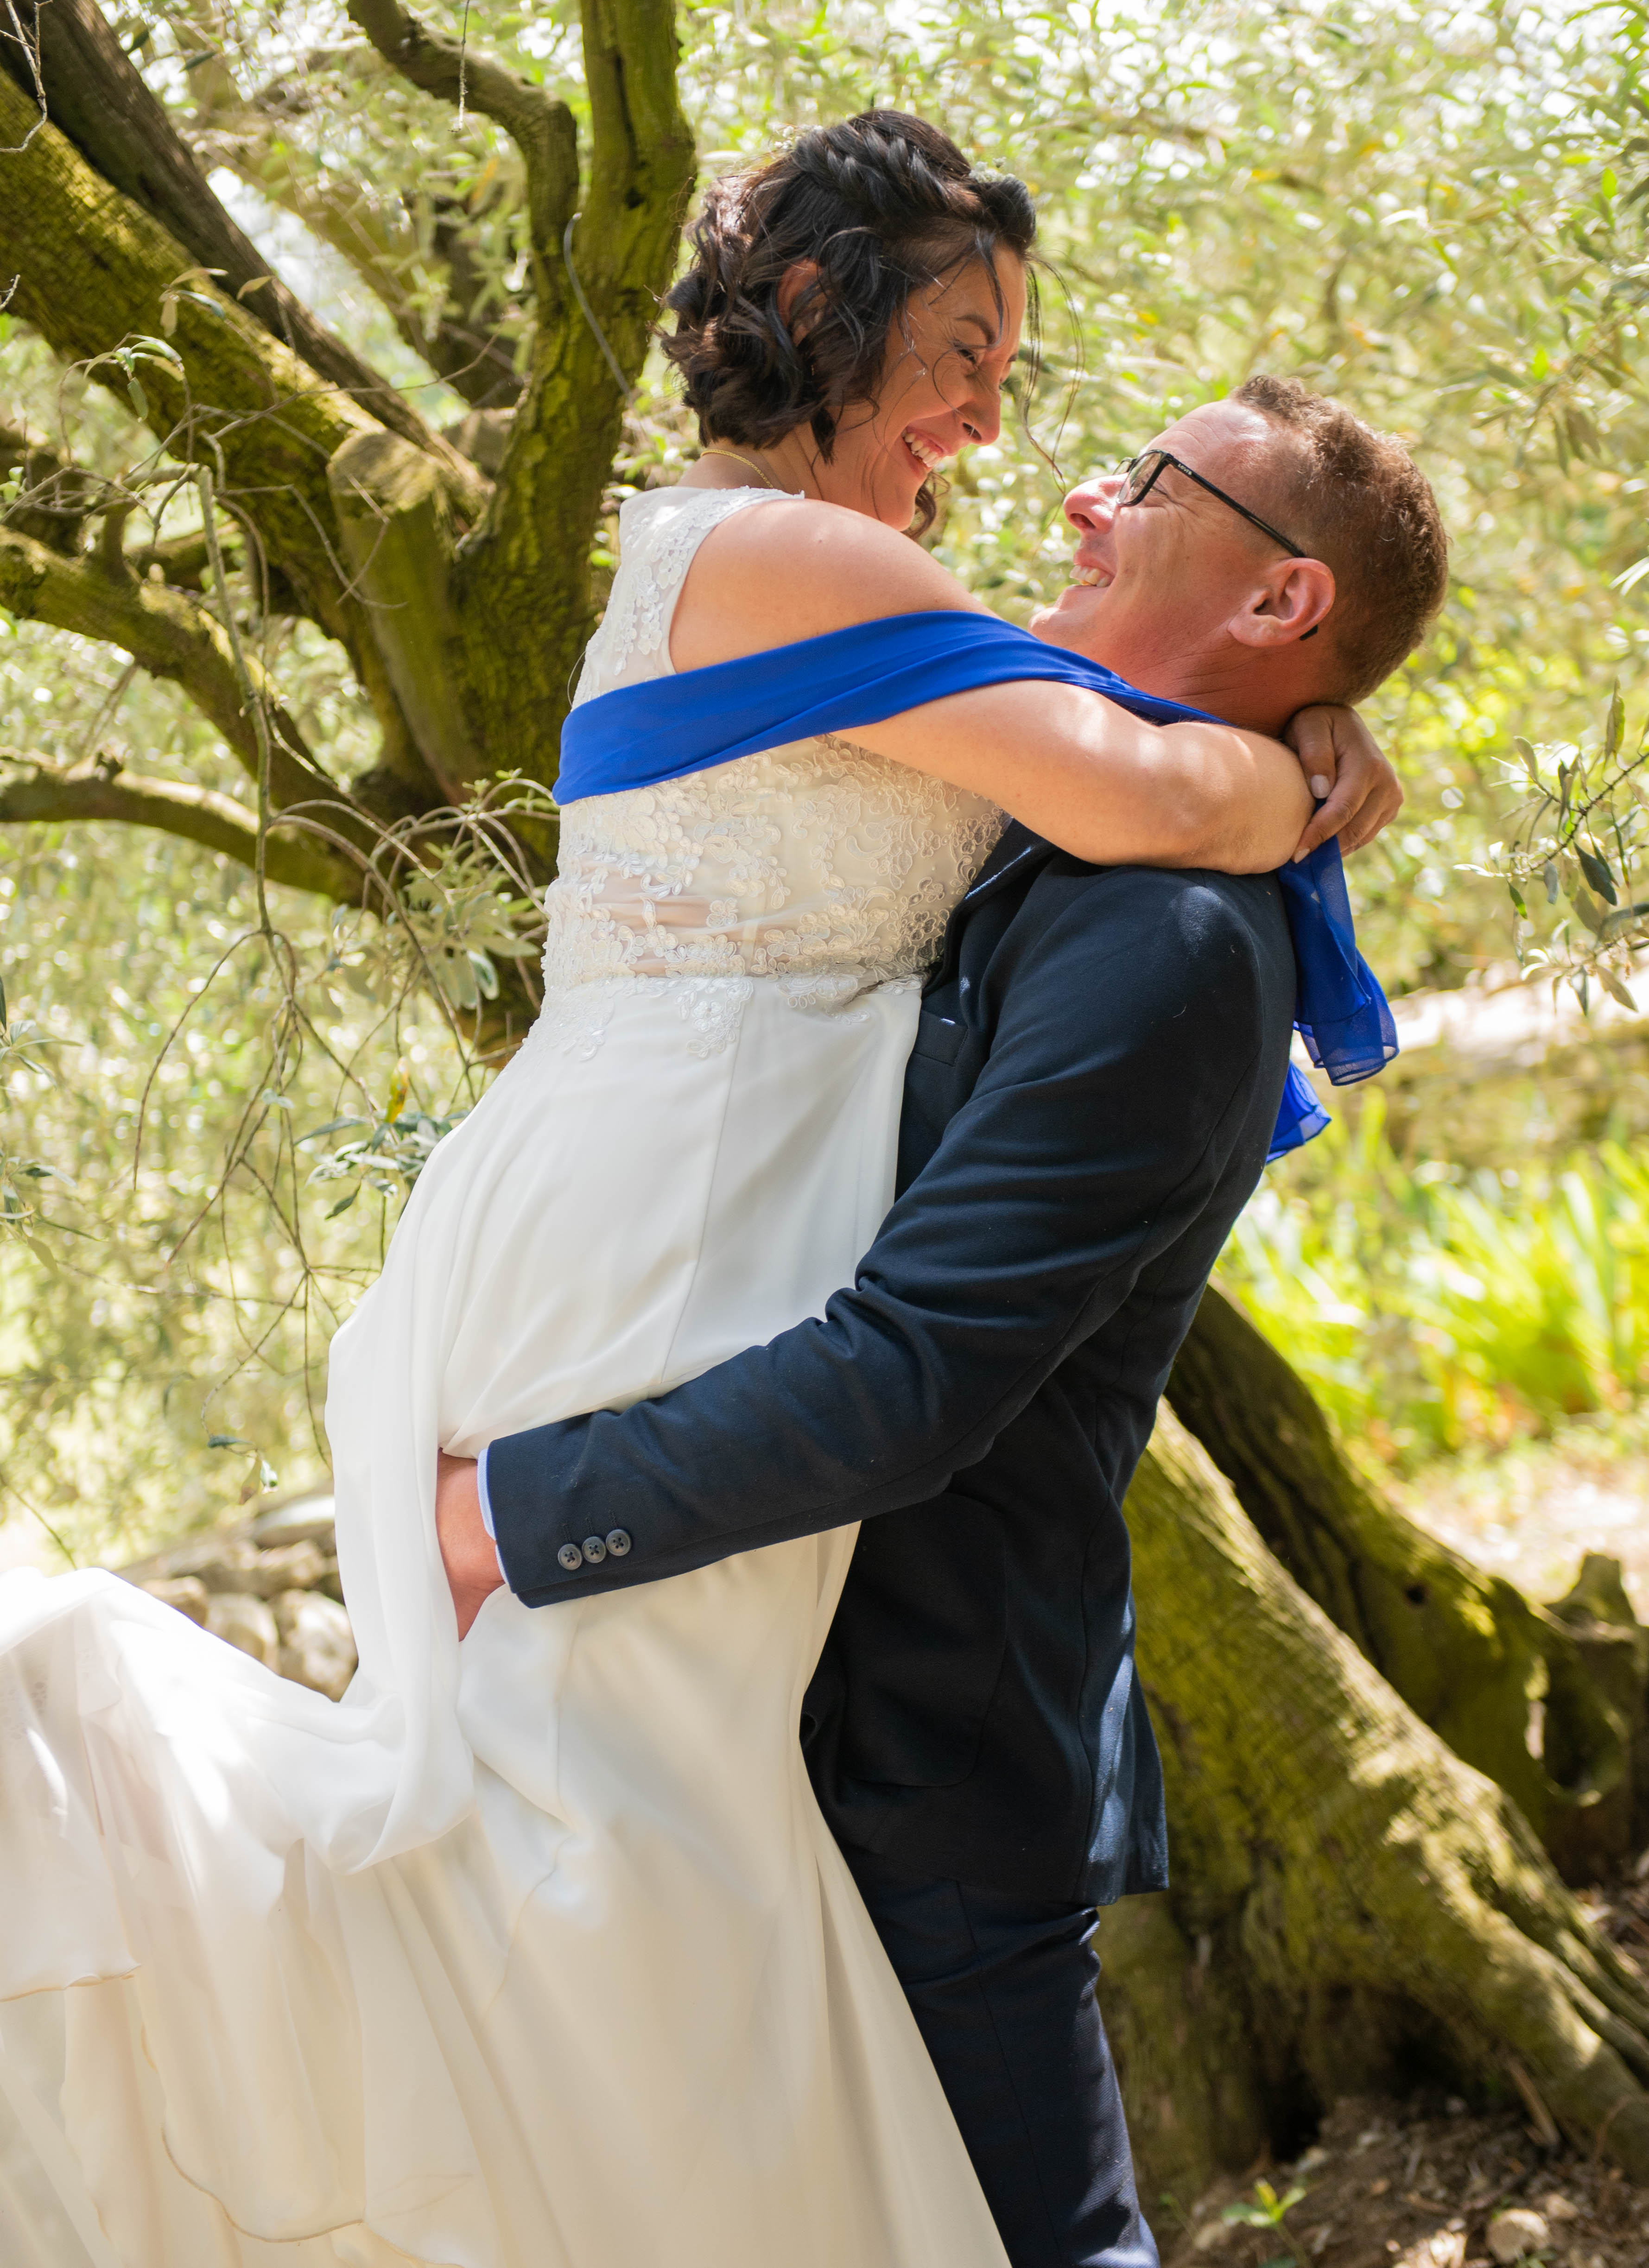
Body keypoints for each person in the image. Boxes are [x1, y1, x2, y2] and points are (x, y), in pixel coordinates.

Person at [0, 112, 1407, 2268]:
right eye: (962, 355)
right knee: (578, 1902)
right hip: (655, 1247)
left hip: (723, 1326)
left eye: (1077, 431)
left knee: (596, 1918)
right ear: (820, 309)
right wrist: (1294, 763)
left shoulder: (953, 703)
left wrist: (1289, 745)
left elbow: (1110, 799)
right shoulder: (791, 564)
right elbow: (1140, 776)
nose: (1009, 442)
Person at [436, 313, 1447, 2257]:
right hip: (733, 1703)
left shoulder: (1169, 942)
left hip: (919, 1759)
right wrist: (1295, 744)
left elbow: (917, 1371)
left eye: (1147, 484)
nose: (1077, 496)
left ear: (1280, 596)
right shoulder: (1057, 808)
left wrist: (511, 1516)